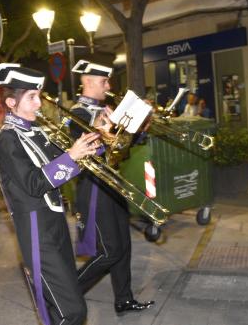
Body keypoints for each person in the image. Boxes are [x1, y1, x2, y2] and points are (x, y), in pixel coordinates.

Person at [0, 63, 99, 325]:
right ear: (11, 102)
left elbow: (62, 167)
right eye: (32, 97)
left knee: (56, 307)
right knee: (72, 311)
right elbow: (35, 183)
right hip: (36, 228)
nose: (39, 104)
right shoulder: (7, 139)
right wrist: (71, 156)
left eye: (38, 96)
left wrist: (90, 148)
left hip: (55, 223)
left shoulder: (35, 132)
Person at [69, 60, 154, 316]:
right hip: (94, 187)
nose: (108, 86)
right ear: (88, 82)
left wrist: (139, 128)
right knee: (110, 250)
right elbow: (86, 151)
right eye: (104, 81)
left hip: (112, 183)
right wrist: (108, 130)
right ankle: (66, 295)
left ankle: (124, 299)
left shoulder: (107, 110)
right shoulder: (78, 113)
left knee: (124, 246)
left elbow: (119, 153)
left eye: (108, 81)